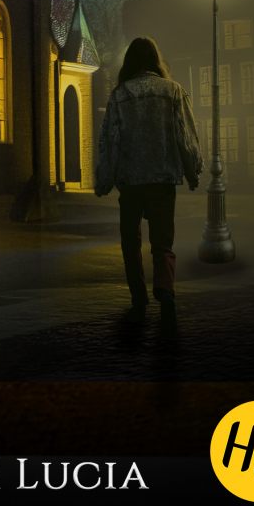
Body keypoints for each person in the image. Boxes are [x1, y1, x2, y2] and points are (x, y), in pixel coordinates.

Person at [95, 35, 203, 333]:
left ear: (129, 62)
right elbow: (185, 136)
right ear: (156, 60)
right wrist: (193, 171)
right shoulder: (173, 92)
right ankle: (166, 296)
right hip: (162, 180)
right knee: (163, 243)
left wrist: (104, 179)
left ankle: (139, 302)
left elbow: (109, 142)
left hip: (130, 182)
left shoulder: (119, 96)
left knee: (130, 243)